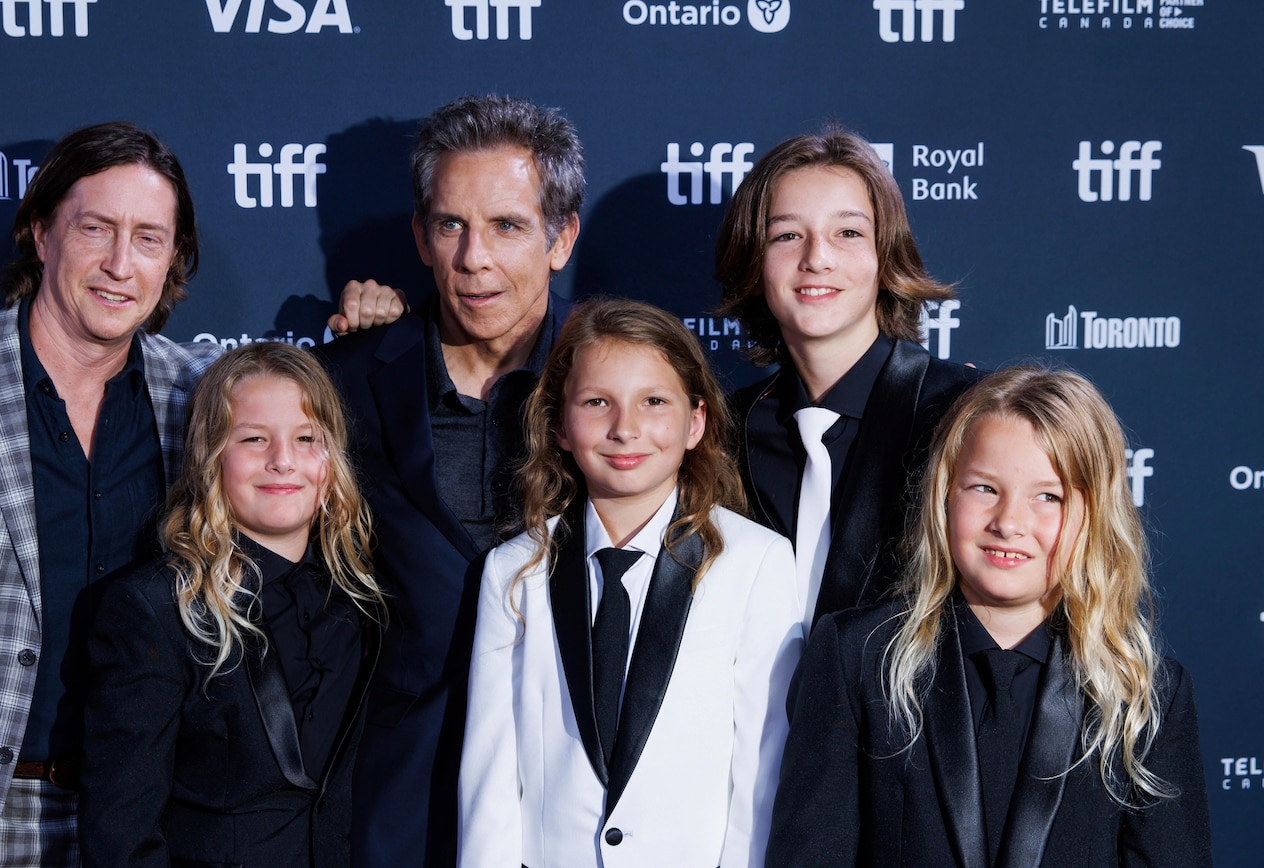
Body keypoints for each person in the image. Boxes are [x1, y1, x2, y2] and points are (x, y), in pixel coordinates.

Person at [0, 121, 403, 868]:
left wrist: (370, 331)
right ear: (40, 232)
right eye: (95, 229)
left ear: (174, 260)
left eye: (150, 239)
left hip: (151, 816)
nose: (120, 265)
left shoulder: (197, 393)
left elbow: (297, 431)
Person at [768, 366, 1212, 867]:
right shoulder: (856, 658)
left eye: (1049, 497)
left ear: (1095, 516)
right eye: (984, 488)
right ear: (944, 495)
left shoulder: (1145, 697)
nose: (1008, 523)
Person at [317, 93, 584, 867]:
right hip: (400, 810)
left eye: (507, 226)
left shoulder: (622, 382)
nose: (475, 259)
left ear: (561, 237)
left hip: (580, 805)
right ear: (421, 236)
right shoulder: (343, 383)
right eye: (450, 225)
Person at [458, 298, 803, 867]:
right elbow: (490, 777)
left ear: (696, 421)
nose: (625, 429)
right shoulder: (513, 570)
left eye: (654, 402)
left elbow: (763, 769)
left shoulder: (756, 562)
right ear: (560, 425)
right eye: (597, 403)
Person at [78, 343, 383, 868]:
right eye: (254, 439)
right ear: (211, 455)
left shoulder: (364, 600)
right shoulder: (154, 609)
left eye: (306, 438)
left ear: (331, 460)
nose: (282, 459)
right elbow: (121, 833)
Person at [715, 126, 983, 629]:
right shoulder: (722, 435)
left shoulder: (964, 413)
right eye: (787, 235)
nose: (817, 258)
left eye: (849, 233)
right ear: (755, 260)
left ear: (887, 255)